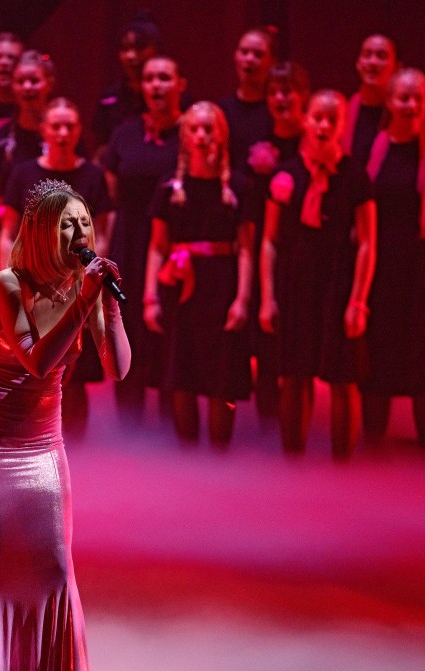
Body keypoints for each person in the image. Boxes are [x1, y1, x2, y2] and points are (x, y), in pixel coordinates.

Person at [0, 178, 129, 671]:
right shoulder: (8, 284)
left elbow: (119, 368)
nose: (80, 231)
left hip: (43, 444)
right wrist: (84, 301)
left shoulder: (83, 288)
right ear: (42, 232)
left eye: (84, 221)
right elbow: (38, 362)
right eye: (67, 224)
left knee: (56, 570)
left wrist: (107, 304)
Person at [259, 90, 377, 458]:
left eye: (332, 119)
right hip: (297, 281)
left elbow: (368, 242)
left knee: (343, 377)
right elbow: (269, 241)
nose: (324, 126)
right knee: (294, 374)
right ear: (305, 121)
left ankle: (342, 464)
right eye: (317, 118)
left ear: (343, 126)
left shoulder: (354, 176)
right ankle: (293, 461)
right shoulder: (288, 173)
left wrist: (358, 301)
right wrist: (267, 297)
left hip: (338, 281)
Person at [360, 68, 425, 449]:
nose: (411, 105)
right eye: (404, 97)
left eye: (419, 98)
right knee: (377, 368)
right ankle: (374, 458)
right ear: (389, 102)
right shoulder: (372, 150)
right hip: (380, 270)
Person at [0, 98, 112, 437]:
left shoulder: (92, 175)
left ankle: (77, 447)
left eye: (69, 126)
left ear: (79, 131)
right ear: (43, 130)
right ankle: (34, 443)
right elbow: (7, 234)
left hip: (76, 285)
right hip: (33, 284)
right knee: (31, 368)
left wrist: (88, 285)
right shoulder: (24, 173)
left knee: (74, 374)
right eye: (56, 126)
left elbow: (102, 236)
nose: (63, 133)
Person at [143, 101, 252, 448]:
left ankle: (220, 458)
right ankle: (188, 460)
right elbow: (157, 246)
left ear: (222, 135)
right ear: (185, 136)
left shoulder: (238, 186)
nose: (202, 136)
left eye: (209, 129)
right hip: (179, 284)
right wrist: (149, 298)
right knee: (182, 374)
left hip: (222, 283)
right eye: (195, 129)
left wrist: (243, 299)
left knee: (222, 376)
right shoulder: (169, 187)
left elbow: (246, 248)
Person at [101, 54, 186, 421]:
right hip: (130, 240)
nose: (156, 85)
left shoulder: (191, 133)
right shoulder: (125, 134)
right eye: (150, 78)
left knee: (170, 330)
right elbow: (108, 197)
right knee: (127, 328)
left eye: (164, 77)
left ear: (180, 84)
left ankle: (172, 424)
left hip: (175, 242)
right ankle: (129, 426)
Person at [241, 61, 310, 421]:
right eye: (274, 92)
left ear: (303, 96)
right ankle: (269, 426)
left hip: (306, 250)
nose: (281, 99)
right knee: (266, 340)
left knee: (301, 342)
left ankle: (298, 424)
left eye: (288, 91)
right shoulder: (260, 140)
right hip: (266, 248)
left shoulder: (314, 141)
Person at [0, 50, 57, 291]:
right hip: (8, 242)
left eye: (34, 80)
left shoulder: (64, 136)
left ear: (49, 83)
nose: (28, 87)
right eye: (21, 81)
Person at [91, 11, 164, 154]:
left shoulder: (173, 98)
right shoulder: (109, 100)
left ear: (156, 49)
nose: (131, 56)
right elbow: (101, 148)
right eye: (125, 49)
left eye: (139, 47)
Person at [218, 27, 276, 179]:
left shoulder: (276, 110)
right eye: (244, 52)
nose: (249, 59)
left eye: (258, 54)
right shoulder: (222, 111)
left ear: (272, 61)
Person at [341, 34, 400, 165]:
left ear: (397, 67)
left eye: (381, 56)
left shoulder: (404, 114)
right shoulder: (343, 112)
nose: (373, 62)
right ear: (358, 64)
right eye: (367, 55)